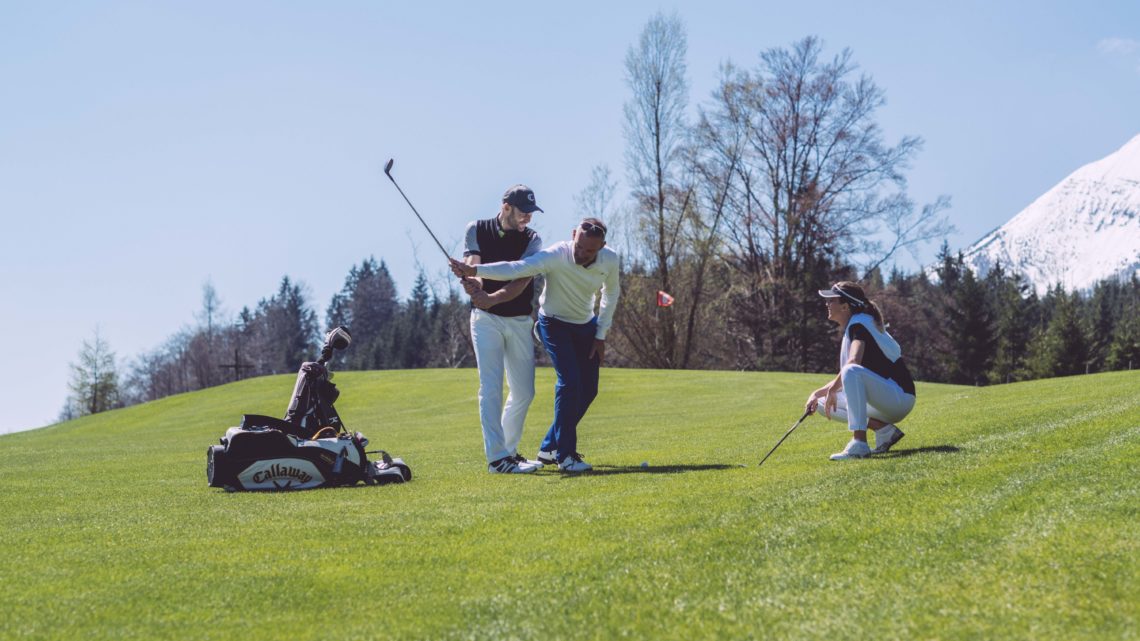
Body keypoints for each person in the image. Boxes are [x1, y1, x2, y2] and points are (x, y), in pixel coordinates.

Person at [450, 217, 620, 473]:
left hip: (586, 326)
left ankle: (549, 447)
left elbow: (611, 293)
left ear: (602, 246)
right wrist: (476, 271)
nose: (583, 254)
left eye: (590, 250)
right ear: (574, 234)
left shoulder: (610, 259)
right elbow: (517, 268)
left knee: (589, 390)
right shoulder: (555, 255)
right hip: (553, 323)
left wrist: (600, 335)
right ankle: (566, 456)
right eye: (580, 246)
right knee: (569, 382)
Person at [461, 184, 545, 474]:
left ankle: (508, 452)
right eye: (524, 212)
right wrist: (474, 283)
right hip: (485, 322)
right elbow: (474, 262)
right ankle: (497, 459)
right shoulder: (477, 228)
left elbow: (520, 278)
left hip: (520, 319)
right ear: (506, 207)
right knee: (491, 388)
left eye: (532, 213)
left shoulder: (533, 239)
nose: (528, 219)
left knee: (524, 392)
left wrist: (490, 298)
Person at [805, 281, 916, 460]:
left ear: (845, 306)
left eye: (831, 300)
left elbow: (853, 363)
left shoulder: (859, 325)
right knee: (819, 403)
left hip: (899, 398)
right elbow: (850, 376)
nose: (827, 304)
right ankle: (885, 432)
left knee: (850, 370)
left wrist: (833, 388)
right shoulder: (856, 324)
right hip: (885, 398)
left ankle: (859, 444)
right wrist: (816, 393)